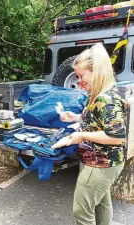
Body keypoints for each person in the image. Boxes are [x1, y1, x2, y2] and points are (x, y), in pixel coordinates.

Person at [52, 43, 126, 225]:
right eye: (77, 76)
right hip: (99, 161)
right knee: (101, 203)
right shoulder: (99, 93)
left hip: (101, 163)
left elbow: (116, 136)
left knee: (82, 211)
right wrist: (74, 117)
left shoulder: (105, 99)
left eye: (81, 76)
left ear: (97, 71)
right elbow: (97, 119)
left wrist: (81, 136)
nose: (79, 82)